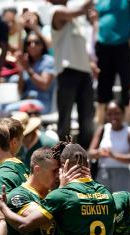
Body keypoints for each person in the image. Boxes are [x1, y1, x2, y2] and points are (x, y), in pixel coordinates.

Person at [48, 0, 96, 150]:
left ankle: (85, 157)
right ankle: (62, 156)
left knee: (87, 120)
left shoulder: (78, 18)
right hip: (67, 72)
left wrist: (91, 64)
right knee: (65, 120)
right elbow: (81, 9)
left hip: (85, 73)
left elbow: (82, 47)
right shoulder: (55, 11)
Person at [94, 0, 130, 122]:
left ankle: (126, 126)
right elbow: (97, 19)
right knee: (103, 88)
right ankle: (101, 127)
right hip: (103, 47)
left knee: (127, 87)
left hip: (124, 46)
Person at [88, 101, 130, 192]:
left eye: (117, 113)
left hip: (122, 176)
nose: (113, 117)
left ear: (123, 113)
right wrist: (100, 153)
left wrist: (113, 155)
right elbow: (90, 153)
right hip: (103, 174)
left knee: (122, 205)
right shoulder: (102, 129)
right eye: (109, 114)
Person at [5, 31, 56, 114]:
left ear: (42, 45)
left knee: (8, 109)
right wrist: (21, 70)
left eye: (36, 42)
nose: (32, 45)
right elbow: (20, 91)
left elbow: (44, 85)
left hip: (42, 102)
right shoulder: (26, 61)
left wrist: (28, 69)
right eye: (29, 43)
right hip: (25, 100)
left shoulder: (48, 60)